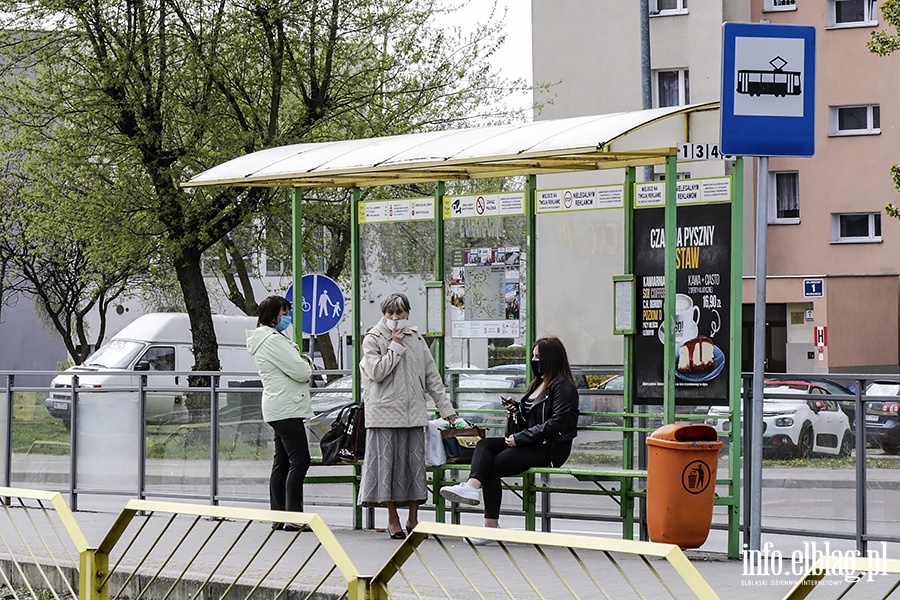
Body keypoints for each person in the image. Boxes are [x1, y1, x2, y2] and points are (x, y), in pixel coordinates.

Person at [440, 336, 579, 541]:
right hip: (529, 442)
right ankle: (472, 487)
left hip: (549, 448)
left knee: (492, 467)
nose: (534, 360)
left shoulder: (563, 387)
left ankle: (489, 525)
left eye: (538, 356)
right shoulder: (537, 384)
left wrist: (521, 438)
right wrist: (517, 410)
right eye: (533, 356)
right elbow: (530, 419)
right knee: (485, 444)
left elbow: (555, 424)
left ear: (552, 359)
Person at [359, 292, 463, 539]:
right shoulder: (373, 338)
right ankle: (392, 519)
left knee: (414, 467)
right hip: (384, 415)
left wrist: (447, 411)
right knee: (388, 469)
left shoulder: (416, 338)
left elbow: (432, 378)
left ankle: (413, 518)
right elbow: (376, 372)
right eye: (390, 313)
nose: (395, 318)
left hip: (414, 414)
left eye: (400, 313)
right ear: (384, 314)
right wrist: (394, 346)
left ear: (407, 313)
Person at [246, 295, 313, 532]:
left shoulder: (268, 338)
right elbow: (300, 372)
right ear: (273, 315)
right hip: (286, 407)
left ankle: (279, 515)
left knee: (283, 462)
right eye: (284, 313)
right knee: (300, 460)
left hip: (280, 406)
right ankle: (294, 517)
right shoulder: (272, 341)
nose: (288, 318)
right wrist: (306, 362)